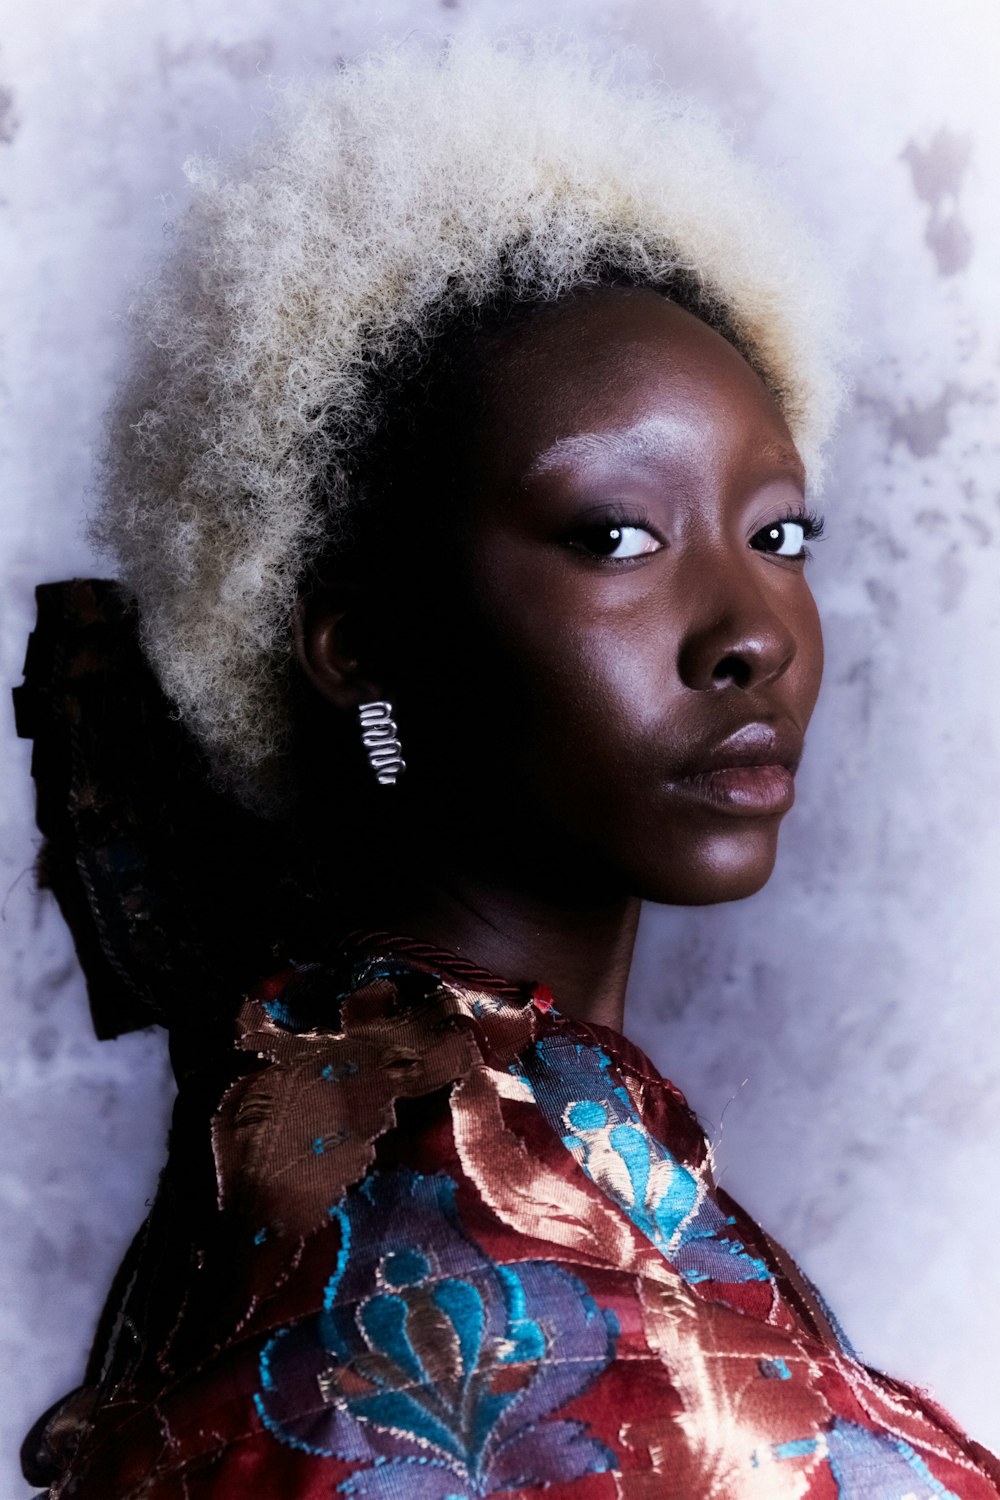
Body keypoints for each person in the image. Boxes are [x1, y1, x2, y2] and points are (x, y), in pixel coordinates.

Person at [15, 34, 1000, 1500]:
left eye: (777, 533)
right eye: (612, 535)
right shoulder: (485, 1286)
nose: (751, 634)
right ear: (361, 649)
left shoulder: (334, 1091)